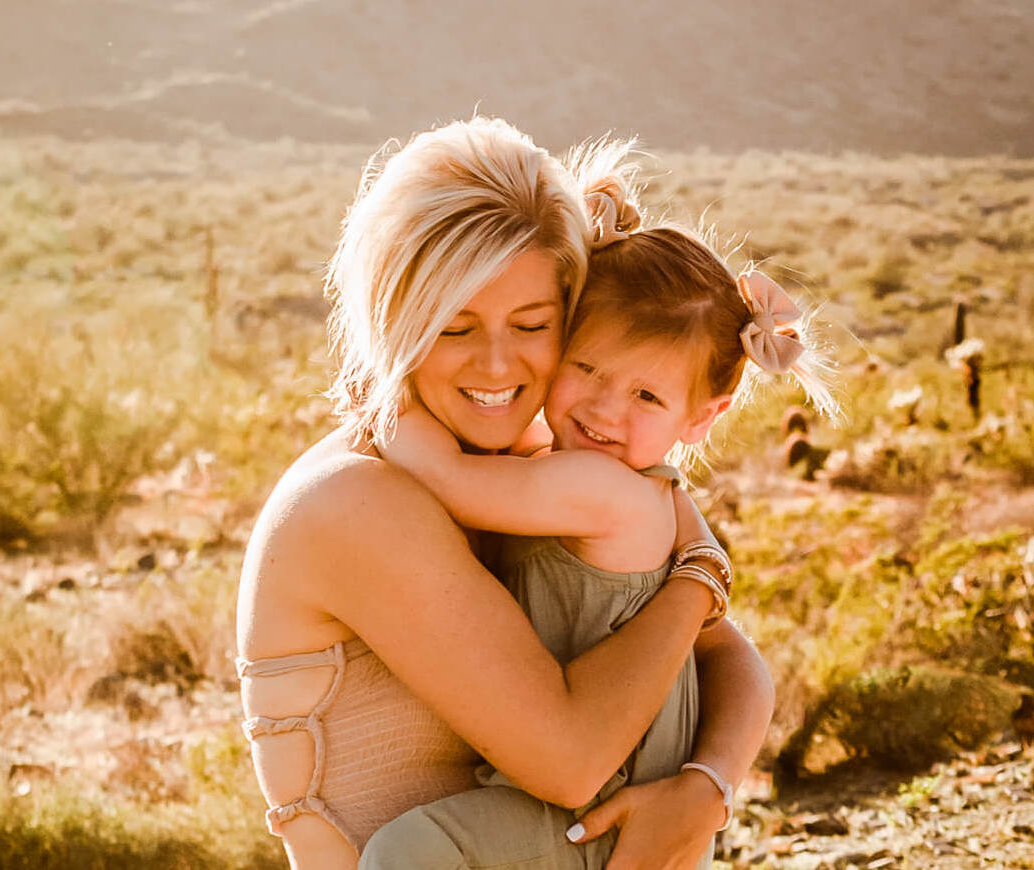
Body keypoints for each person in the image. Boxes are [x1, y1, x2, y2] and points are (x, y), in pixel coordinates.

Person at [235, 117, 775, 870]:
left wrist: (705, 789)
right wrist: (698, 574)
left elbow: (730, 657)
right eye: (453, 329)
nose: (496, 366)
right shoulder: (355, 501)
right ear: (391, 322)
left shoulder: (537, 465)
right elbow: (572, 762)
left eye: (531, 324)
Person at [359, 178, 836, 869]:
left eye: (646, 394)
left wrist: (383, 387)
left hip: (597, 817)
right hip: (629, 803)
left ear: (701, 418)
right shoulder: (648, 494)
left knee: (409, 850)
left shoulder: (595, 489)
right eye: (585, 366)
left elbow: (448, 479)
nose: (605, 410)